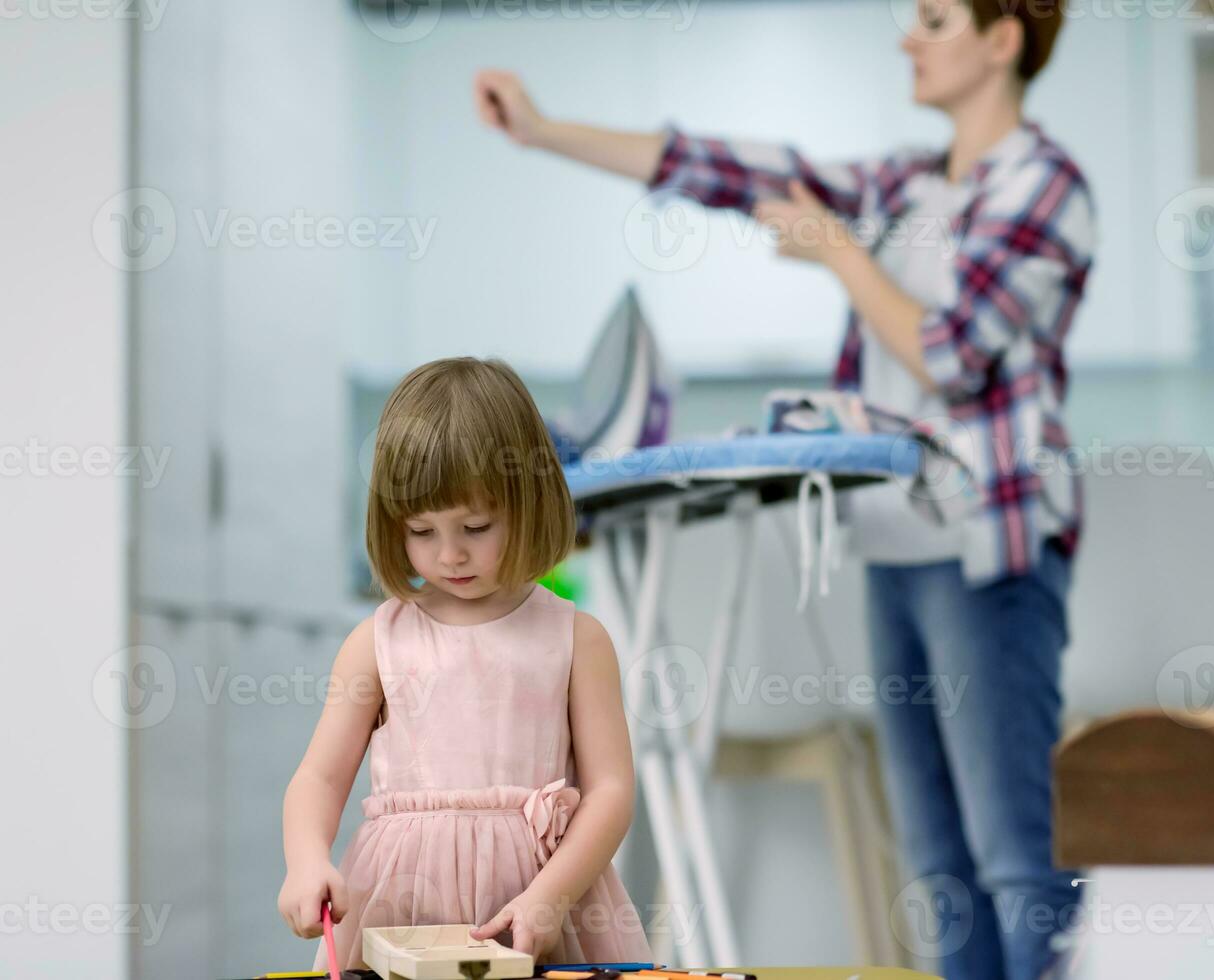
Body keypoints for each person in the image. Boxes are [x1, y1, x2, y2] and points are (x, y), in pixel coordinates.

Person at [475, 1, 1093, 976]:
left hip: (987, 547)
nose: (907, 37)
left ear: (1000, 38)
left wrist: (838, 251)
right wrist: (544, 129)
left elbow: (950, 355)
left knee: (1015, 857)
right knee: (935, 859)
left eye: (933, 18)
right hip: (893, 544)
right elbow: (729, 169)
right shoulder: (902, 184)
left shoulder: (1044, 184)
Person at [276, 357, 654, 968]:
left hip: (539, 906)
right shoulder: (376, 642)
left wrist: (550, 897)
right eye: (421, 531)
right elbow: (318, 778)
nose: (449, 554)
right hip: (399, 910)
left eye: (475, 525)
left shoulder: (577, 639)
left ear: (529, 501)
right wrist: (306, 862)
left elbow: (611, 789)